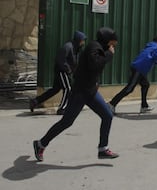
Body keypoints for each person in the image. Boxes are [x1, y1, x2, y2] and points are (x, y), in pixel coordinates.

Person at [33, 27, 119, 161]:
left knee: (107, 115)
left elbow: (94, 69)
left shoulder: (100, 48)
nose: (115, 44)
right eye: (113, 41)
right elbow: (95, 64)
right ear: (107, 39)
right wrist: (109, 54)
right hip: (80, 92)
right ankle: (41, 144)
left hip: (91, 92)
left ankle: (103, 149)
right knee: (66, 122)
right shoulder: (94, 46)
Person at [108, 37, 157, 114]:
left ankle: (144, 106)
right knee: (129, 89)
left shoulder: (150, 47)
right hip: (139, 69)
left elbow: (156, 60)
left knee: (145, 85)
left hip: (139, 69)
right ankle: (111, 104)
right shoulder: (156, 48)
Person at [29, 31, 87, 115]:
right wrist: (68, 70)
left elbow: (74, 62)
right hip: (62, 71)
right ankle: (62, 108)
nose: (83, 42)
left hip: (65, 71)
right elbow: (60, 59)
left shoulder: (76, 49)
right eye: (82, 40)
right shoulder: (68, 47)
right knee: (68, 89)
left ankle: (35, 101)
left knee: (55, 90)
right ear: (78, 40)